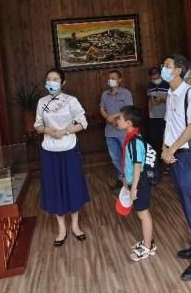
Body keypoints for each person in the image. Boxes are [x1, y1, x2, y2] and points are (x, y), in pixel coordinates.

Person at [161, 54, 191, 281]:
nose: (164, 69)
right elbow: (169, 125)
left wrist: (172, 149)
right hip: (174, 155)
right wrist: (165, 148)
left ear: (178, 70)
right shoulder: (171, 94)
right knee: (186, 203)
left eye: (167, 66)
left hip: (187, 156)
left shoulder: (190, 94)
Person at [35, 68, 90, 247]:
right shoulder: (42, 102)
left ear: (63, 82)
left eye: (55, 79)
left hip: (69, 149)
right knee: (54, 187)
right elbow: (37, 125)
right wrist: (46, 129)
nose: (51, 82)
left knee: (72, 185)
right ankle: (61, 229)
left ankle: (75, 226)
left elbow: (83, 123)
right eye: (48, 78)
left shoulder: (71, 101)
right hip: (49, 151)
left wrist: (65, 131)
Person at [118, 105, 156, 261]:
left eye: (119, 119)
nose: (117, 121)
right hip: (136, 183)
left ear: (128, 123)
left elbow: (137, 166)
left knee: (143, 214)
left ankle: (147, 248)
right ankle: (149, 242)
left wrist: (133, 188)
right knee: (143, 213)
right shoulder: (132, 138)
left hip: (139, 184)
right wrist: (124, 178)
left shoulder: (134, 142)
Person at [100, 70, 133, 190]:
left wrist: (113, 117)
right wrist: (108, 119)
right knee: (115, 158)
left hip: (123, 131)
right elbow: (102, 109)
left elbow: (128, 110)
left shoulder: (126, 93)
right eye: (109, 78)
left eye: (113, 78)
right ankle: (123, 178)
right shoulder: (105, 94)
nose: (110, 80)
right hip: (110, 131)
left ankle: (130, 179)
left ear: (119, 80)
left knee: (127, 156)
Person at [147, 66, 169, 161]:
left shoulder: (168, 84)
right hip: (154, 117)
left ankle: (167, 160)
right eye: (153, 79)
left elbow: (173, 100)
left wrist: (161, 100)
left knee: (167, 140)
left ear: (160, 75)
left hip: (167, 117)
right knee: (155, 140)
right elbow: (149, 99)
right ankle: (157, 162)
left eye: (157, 78)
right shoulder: (150, 86)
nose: (155, 81)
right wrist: (150, 113)